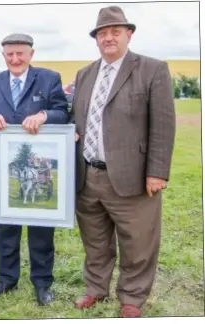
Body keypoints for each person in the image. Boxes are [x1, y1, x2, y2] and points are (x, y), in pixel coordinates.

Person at [70, 6, 175, 318]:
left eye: (115, 31)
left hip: (133, 176)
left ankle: (131, 297)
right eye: (102, 33)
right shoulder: (85, 74)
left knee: (138, 242)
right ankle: (95, 289)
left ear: (129, 34)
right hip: (88, 175)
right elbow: (76, 118)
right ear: (96, 40)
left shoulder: (152, 70)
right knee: (95, 240)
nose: (108, 37)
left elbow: (163, 124)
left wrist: (156, 171)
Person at [0, 33, 70, 305]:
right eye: (10, 54)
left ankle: (42, 282)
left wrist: (43, 115)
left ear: (31, 54)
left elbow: (62, 112)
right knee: (6, 225)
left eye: (20, 53)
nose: (15, 59)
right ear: (3, 56)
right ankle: (6, 279)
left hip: (38, 161)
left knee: (41, 226)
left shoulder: (48, 78)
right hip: (6, 165)